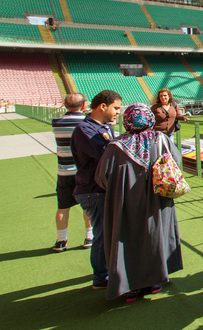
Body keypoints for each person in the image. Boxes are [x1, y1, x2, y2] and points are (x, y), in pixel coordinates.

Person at [95, 104, 184, 302]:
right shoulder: (161, 140)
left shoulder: (115, 146)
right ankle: (155, 280)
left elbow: (102, 177)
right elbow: (177, 163)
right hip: (157, 200)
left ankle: (129, 286)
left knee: (126, 239)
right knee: (155, 236)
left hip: (124, 204)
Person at [71, 89, 122, 290]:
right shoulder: (85, 129)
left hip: (100, 188)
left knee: (106, 232)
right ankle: (101, 277)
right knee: (102, 234)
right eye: (116, 108)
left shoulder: (102, 126)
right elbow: (108, 154)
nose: (118, 112)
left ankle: (106, 271)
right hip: (93, 189)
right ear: (103, 106)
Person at [51, 93, 92, 252]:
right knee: (88, 206)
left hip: (64, 172)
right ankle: (89, 237)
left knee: (62, 207)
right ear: (83, 106)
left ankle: (61, 241)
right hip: (83, 171)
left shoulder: (56, 122)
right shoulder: (87, 122)